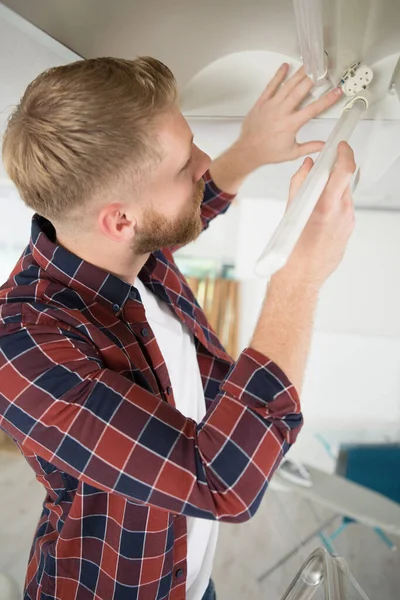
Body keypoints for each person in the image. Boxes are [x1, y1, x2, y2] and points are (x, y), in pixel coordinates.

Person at [0, 57, 355, 600]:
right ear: (120, 220)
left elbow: (182, 210)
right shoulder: (24, 346)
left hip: (185, 572)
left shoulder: (120, 245)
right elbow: (222, 481)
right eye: (186, 161)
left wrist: (252, 148)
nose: (204, 162)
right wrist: (299, 279)